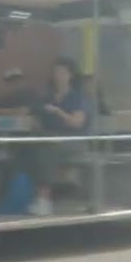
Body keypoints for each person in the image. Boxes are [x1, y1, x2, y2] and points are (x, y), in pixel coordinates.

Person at [16, 58, 89, 216]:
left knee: (46, 146)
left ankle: (44, 199)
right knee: (25, 146)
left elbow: (77, 122)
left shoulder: (77, 97)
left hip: (72, 140)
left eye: (62, 72)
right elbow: (34, 115)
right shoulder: (47, 97)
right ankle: (26, 196)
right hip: (48, 138)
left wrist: (58, 112)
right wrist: (32, 118)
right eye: (56, 72)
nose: (58, 75)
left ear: (70, 75)